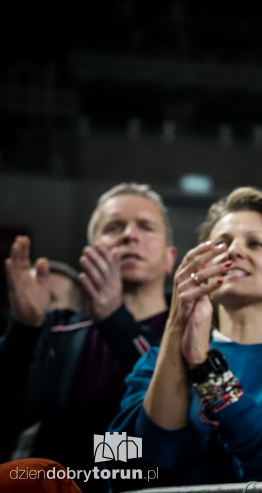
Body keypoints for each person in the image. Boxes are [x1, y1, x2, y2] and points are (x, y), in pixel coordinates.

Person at [109, 187, 262, 485]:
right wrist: (178, 324)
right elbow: (116, 466)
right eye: (221, 244)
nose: (233, 251)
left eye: (255, 243)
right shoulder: (153, 361)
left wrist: (206, 368)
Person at [1, 183, 175, 491]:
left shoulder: (193, 331)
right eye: (114, 227)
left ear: (169, 257)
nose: (130, 235)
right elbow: (11, 416)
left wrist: (115, 321)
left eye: (146, 227)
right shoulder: (59, 329)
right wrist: (24, 330)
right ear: (91, 252)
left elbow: (171, 433)